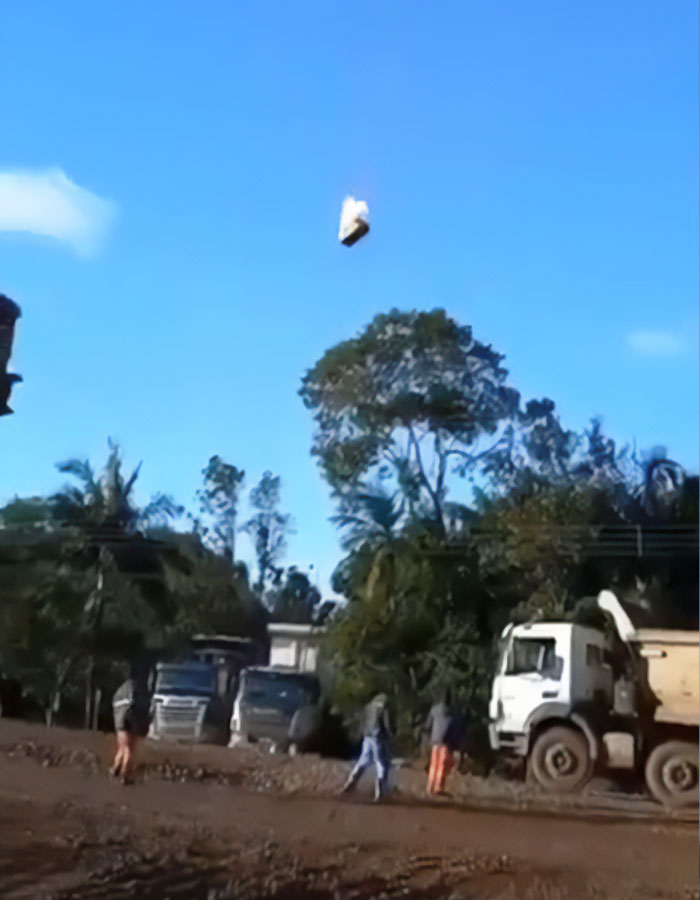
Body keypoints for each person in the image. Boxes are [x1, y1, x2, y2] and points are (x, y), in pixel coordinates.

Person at [341, 693, 392, 802]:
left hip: (367, 737)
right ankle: (380, 792)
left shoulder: (368, 707)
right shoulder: (383, 709)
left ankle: (350, 783)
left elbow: (362, 721)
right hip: (378, 738)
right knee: (380, 763)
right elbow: (387, 725)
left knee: (362, 761)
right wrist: (390, 736)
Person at [110, 677, 148, 785]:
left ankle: (116, 768)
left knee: (121, 748)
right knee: (129, 750)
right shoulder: (134, 690)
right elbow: (136, 705)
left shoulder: (118, 693)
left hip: (119, 722)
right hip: (130, 720)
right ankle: (125, 776)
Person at [425, 689, 457, 797]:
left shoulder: (434, 709)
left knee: (433, 764)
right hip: (446, 741)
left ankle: (430, 787)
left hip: (435, 740)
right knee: (442, 766)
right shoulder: (453, 711)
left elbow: (428, 724)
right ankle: (439, 787)